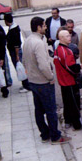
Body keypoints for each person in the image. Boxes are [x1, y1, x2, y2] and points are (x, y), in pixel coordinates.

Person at [23, 16, 69, 144]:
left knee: (38, 109)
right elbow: (43, 65)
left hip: (33, 81)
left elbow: (24, 61)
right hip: (43, 82)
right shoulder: (38, 43)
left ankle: (44, 134)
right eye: (44, 25)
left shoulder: (27, 41)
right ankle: (55, 136)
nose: (46, 27)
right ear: (38, 27)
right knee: (50, 110)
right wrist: (50, 77)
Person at [54, 30, 82, 130]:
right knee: (74, 104)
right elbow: (71, 67)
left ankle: (68, 121)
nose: (70, 38)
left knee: (67, 102)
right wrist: (80, 67)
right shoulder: (67, 51)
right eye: (67, 36)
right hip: (70, 81)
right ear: (61, 38)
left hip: (62, 81)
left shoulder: (57, 50)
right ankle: (78, 124)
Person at [4, 14, 30, 93]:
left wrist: (17, 56)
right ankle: (25, 84)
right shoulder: (13, 28)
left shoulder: (13, 30)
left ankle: (27, 85)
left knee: (20, 68)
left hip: (16, 52)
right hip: (14, 52)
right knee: (20, 68)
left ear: (6, 21)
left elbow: (16, 45)